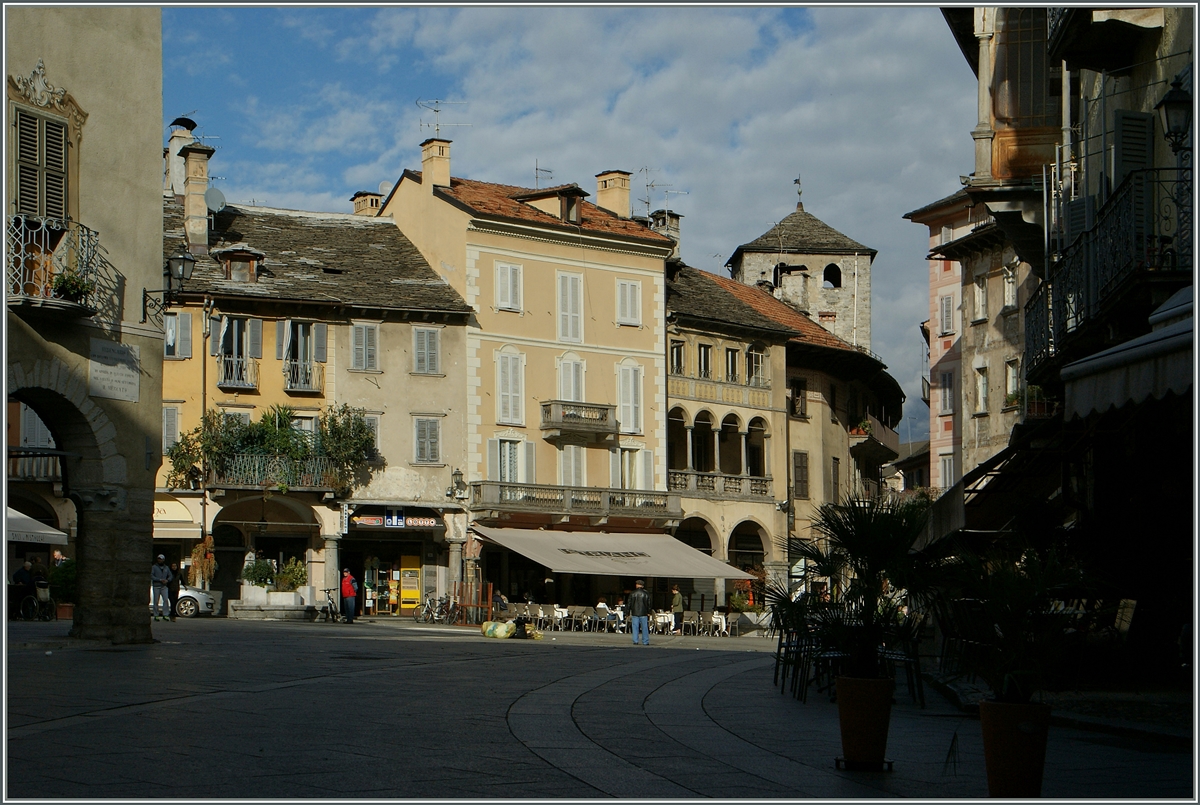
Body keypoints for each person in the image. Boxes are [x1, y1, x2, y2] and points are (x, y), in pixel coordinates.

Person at [627, 579, 652, 646]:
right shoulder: (646, 593)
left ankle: (635, 640)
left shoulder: (632, 593)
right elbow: (649, 604)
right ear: (642, 586)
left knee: (635, 627)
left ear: (637, 585)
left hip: (635, 612)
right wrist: (649, 611)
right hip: (644, 612)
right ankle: (645, 641)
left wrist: (627, 612)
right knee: (644, 627)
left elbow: (629, 604)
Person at [151, 554, 173, 622]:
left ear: (164, 560)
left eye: (161, 559)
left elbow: (170, 576)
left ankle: (165, 614)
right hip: (156, 586)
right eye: (159, 559)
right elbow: (151, 576)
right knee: (156, 601)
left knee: (166, 600)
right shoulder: (154, 567)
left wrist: (167, 580)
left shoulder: (166, 568)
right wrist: (159, 580)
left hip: (164, 586)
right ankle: (156, 615)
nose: (160, 560)